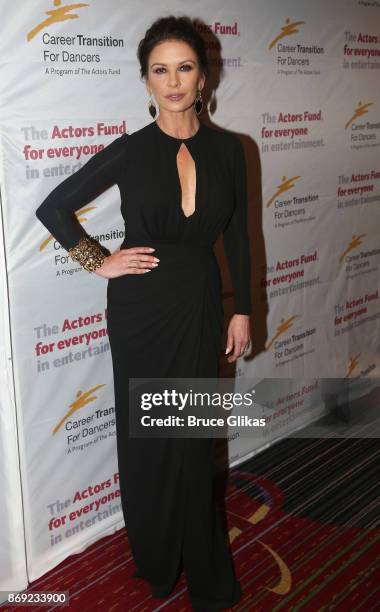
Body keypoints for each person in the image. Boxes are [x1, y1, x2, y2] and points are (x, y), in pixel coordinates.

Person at [35, 15, 252, 611]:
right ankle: (158, 558)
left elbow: (236, 238)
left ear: (203, 76)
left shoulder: (230, 149)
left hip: (202, 304)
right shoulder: (130, 152)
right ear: (146, 81)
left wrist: (243, 311)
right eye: (161, 70)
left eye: (185, 67)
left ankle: (206, 570)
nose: (174, 80)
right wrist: (98, 259)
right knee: (151, 440)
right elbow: (53, 208)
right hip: (140, 310)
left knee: (192, 437)